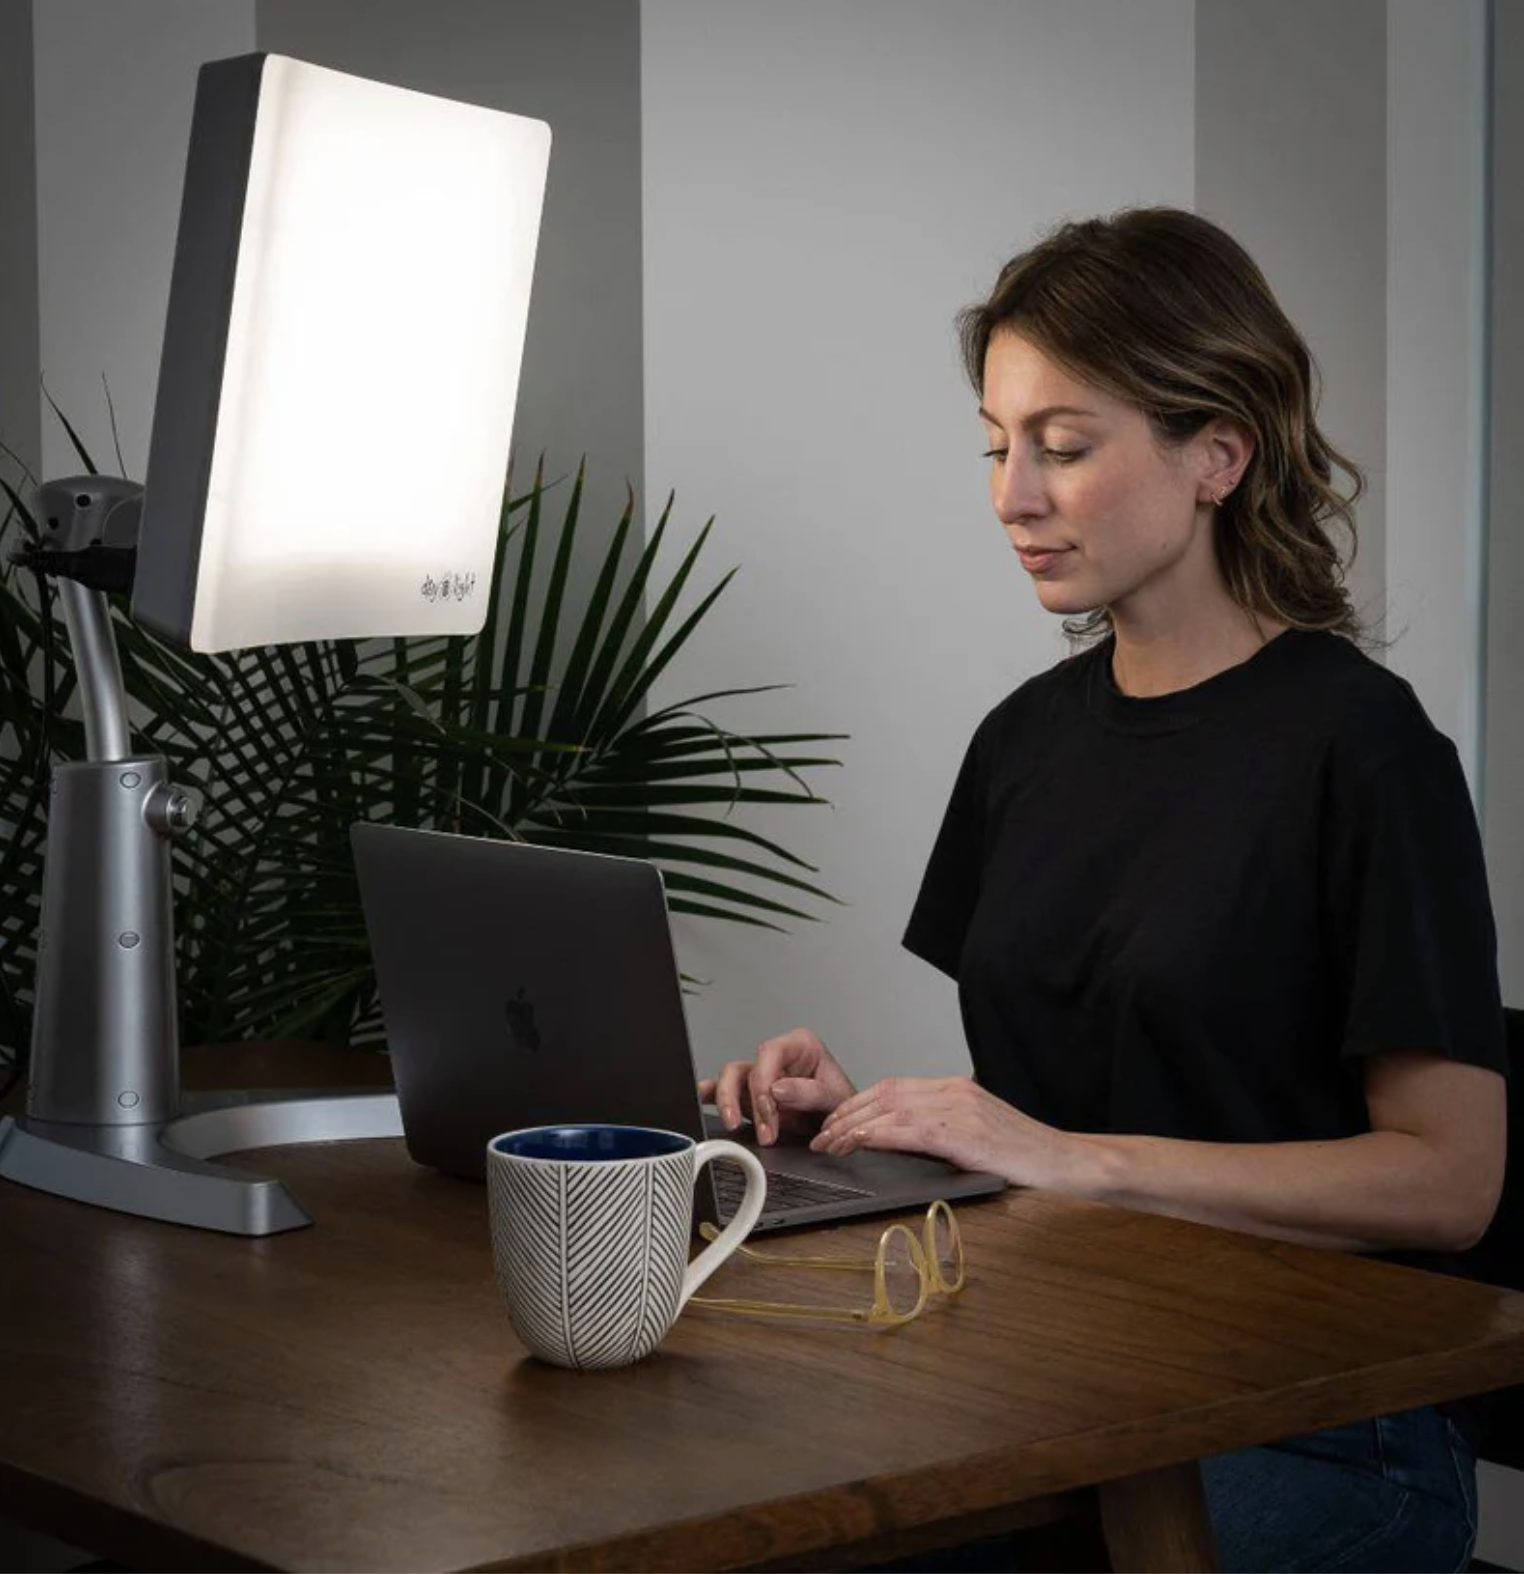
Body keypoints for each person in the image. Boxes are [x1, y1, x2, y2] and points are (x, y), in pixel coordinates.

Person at [700, 207, 1507, 1574]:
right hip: (1069, 1377)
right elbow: (1071, 1105)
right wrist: (867, 1122)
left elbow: (1451, 1183)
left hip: (1328, 1428)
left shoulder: (1366, 751)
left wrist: (1067, 1159)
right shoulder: (1025, 742)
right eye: (998, 446)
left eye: (1063, 447)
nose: (1015, 493)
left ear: (1219, 454)